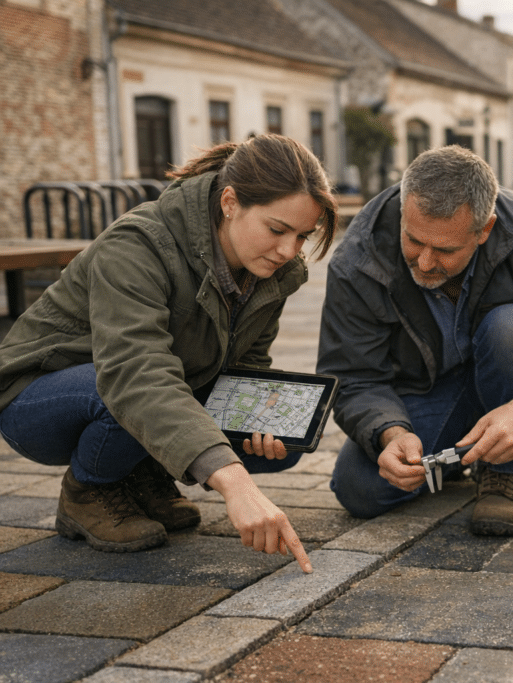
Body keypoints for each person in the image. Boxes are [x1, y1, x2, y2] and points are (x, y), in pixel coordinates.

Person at [0, 134, 339, 572]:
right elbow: (135, 374)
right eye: (277, 230)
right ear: (230, 202)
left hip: (138, 384)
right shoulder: (137, 245)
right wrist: (234, 483)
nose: (288, 251)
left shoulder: (274, 271)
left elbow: (244, 368)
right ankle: (87, 492)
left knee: (284, 436)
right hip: (37, 398)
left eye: (302, 236)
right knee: (124, 391)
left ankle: (142, 475)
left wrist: (257, 418)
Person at [317, 145, 513, 536]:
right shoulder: (358, 256)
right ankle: (459, 455)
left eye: (444, 250)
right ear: (405, 206)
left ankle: (504, 471)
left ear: (485, 229)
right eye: (413, 240)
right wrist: (391, 432)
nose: (424, 262)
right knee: (359, 488)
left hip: (512, 378)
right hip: (429, 393)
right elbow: (351, 373)